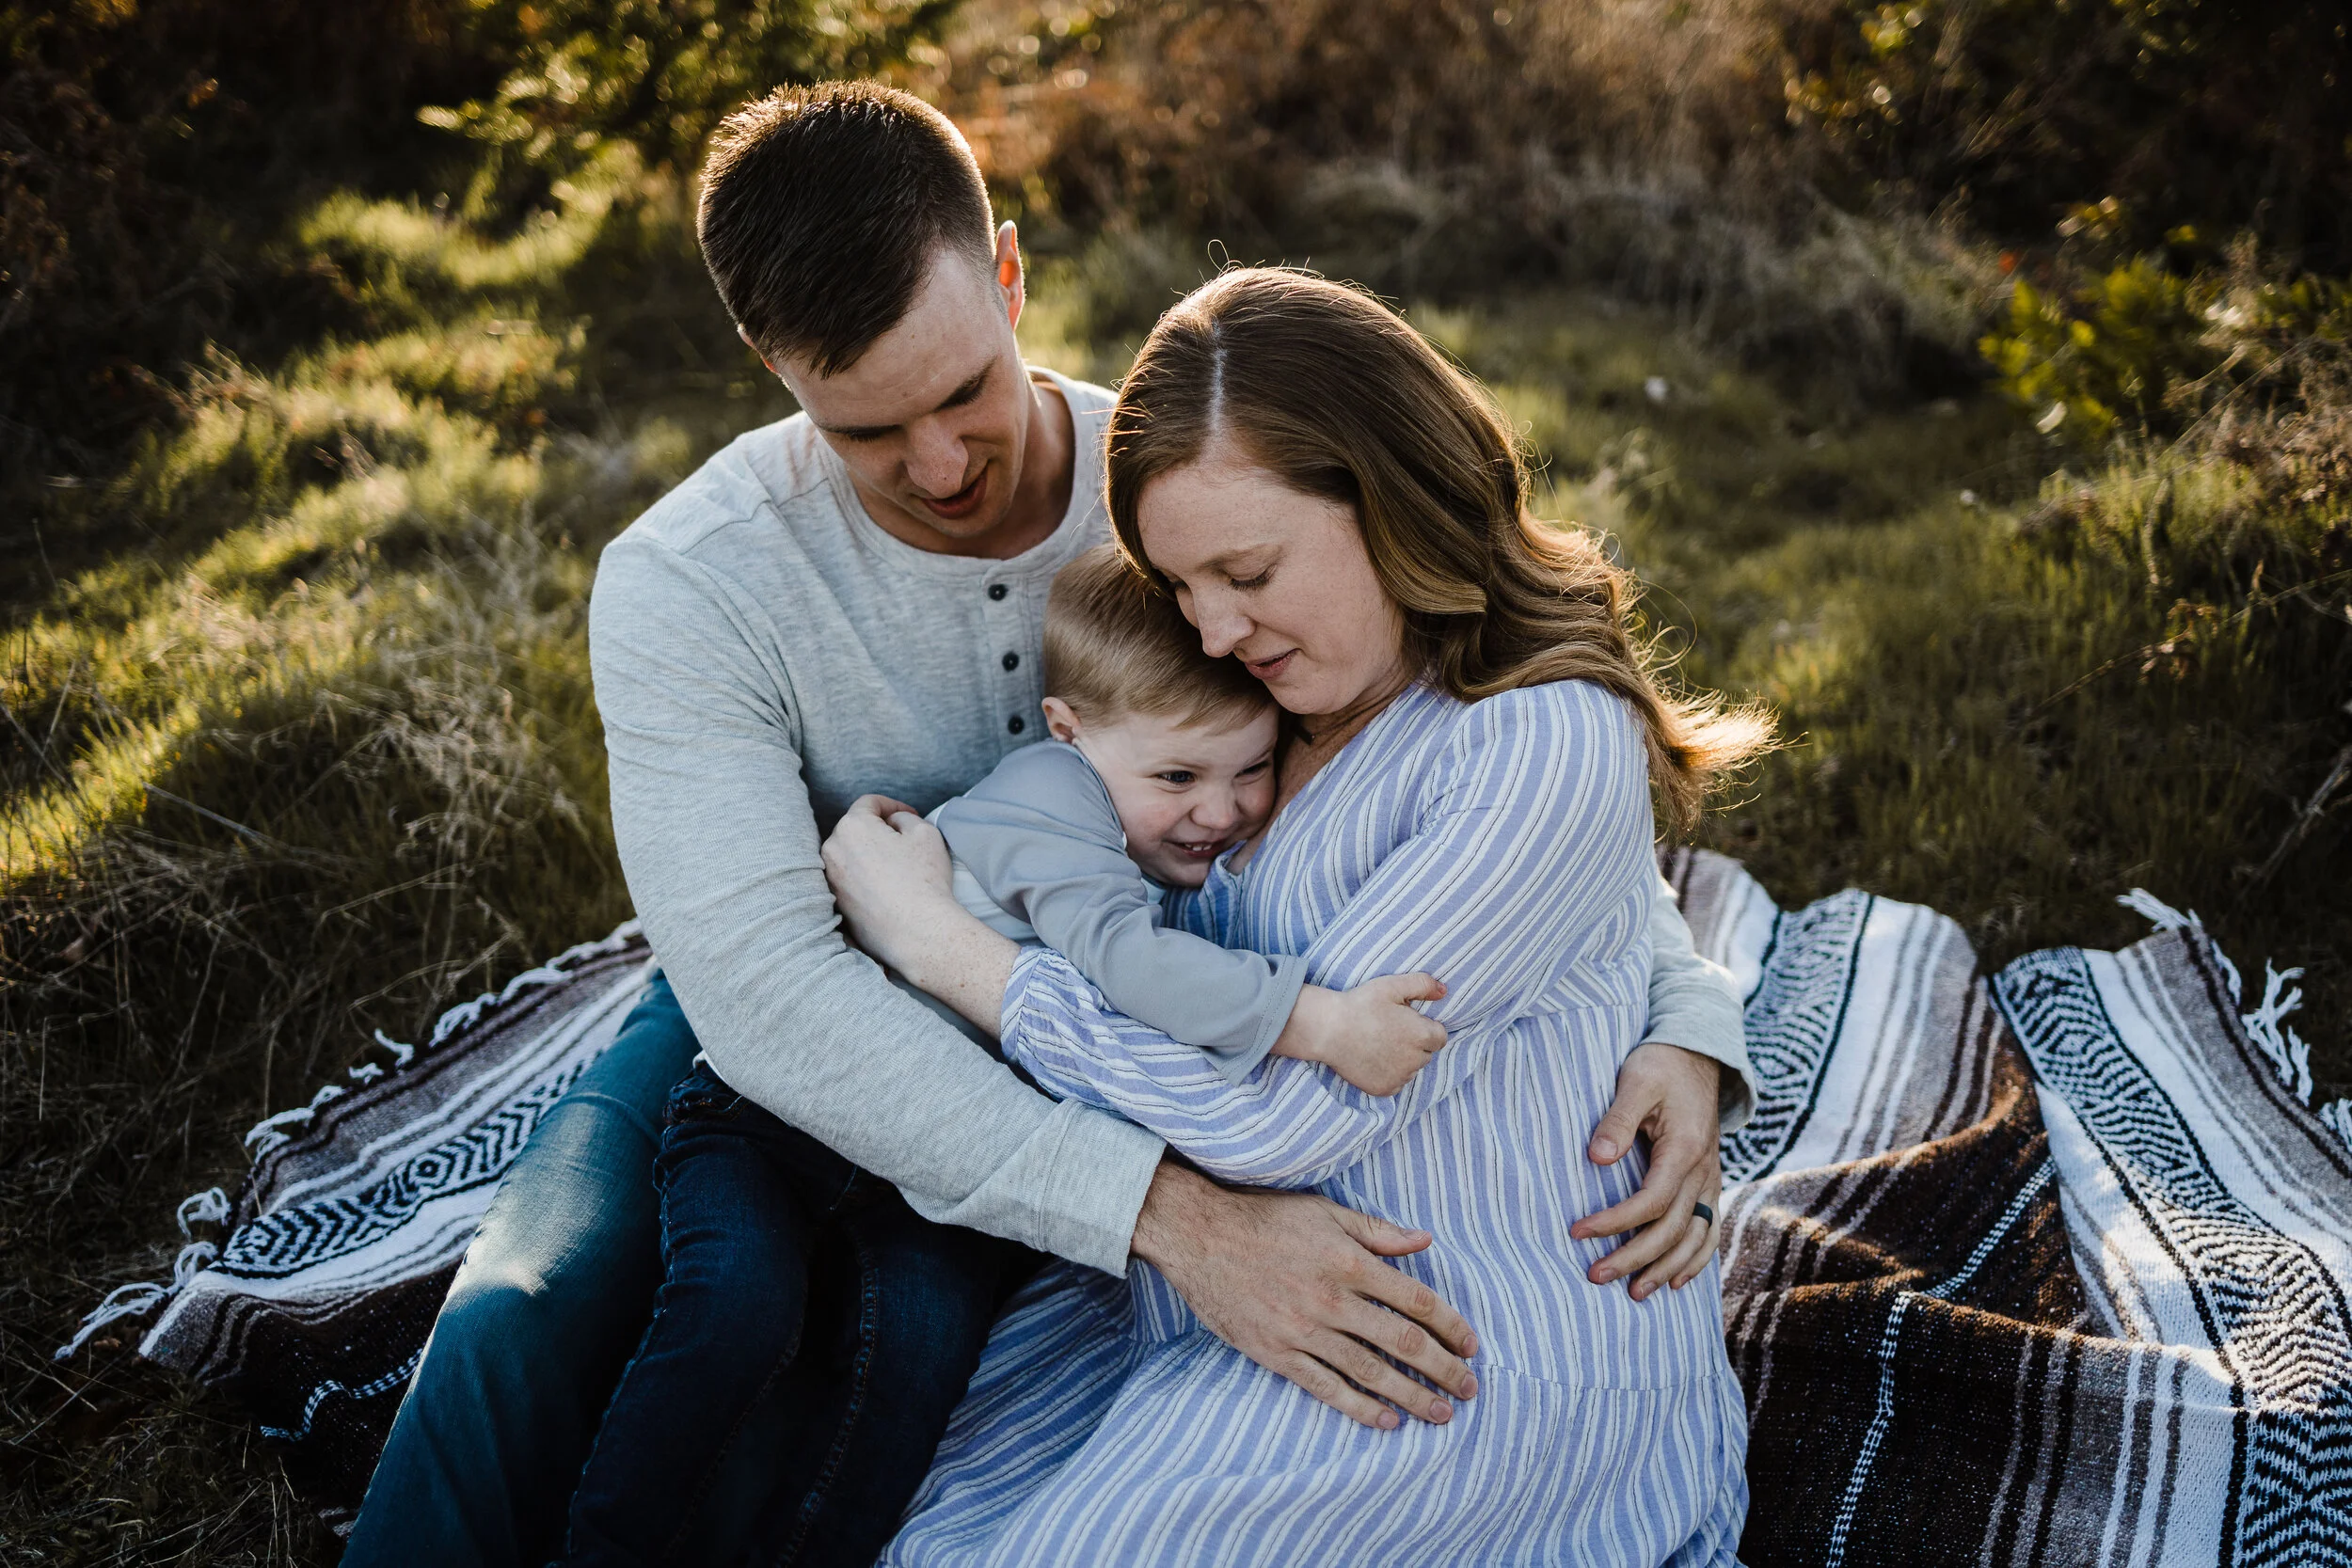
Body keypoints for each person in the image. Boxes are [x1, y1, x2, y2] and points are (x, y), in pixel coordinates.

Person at [342, 82, 1753, 1568]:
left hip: (1066, 1021)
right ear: (772, 368)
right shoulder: (693, 581)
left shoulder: (1169, 500)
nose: (943, 464)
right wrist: (1171, 1217)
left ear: (1008, 278)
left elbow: (1500, 757)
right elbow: (763, 988)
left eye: (966, 394)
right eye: (870, 428)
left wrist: (1682, 1005)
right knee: (528, 1310)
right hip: (810, 983)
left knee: (907, 1336)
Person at [828, 268, 1765, 1564]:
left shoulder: (1533, 735)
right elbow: (1613, 899)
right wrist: (1694, 1008)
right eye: (1183, 585)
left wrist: (951, 950)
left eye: (1248, 569)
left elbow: (1278, 1117)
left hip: (1454, 1346)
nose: (1211, 628)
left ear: (1392, 496)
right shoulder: (1289, 704)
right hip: (1231, 1291)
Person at [556, 546, 1455, 1565]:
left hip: (947, 1160)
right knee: (738, 1303)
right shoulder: (1055, 797)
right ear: (1071, 729)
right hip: (777, 1115)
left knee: (916, 1351)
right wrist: (1318, 1022)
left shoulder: (1153, 830)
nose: (1222, 809)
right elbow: (1126, 965)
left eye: (1252, 768)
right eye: (1178, 775)